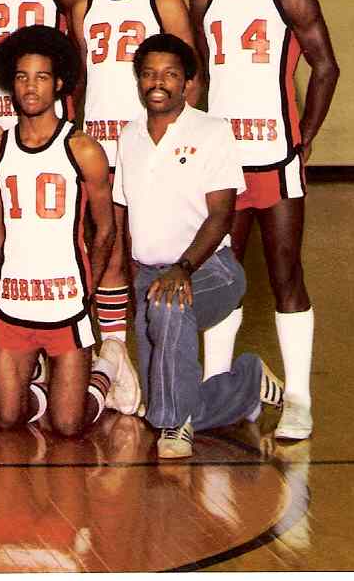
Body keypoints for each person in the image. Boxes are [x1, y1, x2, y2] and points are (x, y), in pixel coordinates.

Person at [190, 0, 339, 440]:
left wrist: (308, 138)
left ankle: (298, 397)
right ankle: (217, 387)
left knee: (284, 275)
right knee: (221, 278)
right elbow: (200, 77)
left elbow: (326, 67)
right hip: (224, 162)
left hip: (275, 159)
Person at [114, 34, 285, 458]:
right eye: (150, 73)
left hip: (210, 269)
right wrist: (124, 271)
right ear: (138, 80)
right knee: (160, 397)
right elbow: (123, 213)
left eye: (171, 74)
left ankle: (175, 429)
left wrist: (182, 269)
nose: (159, 82)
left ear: (188, 83)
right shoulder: (128, 136)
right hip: (148, 273)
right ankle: (244, 383)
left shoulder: (212, 131)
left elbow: (221, 215)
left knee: (169, 305)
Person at [0, 25, 122, 436]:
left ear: (59, 84)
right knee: (5, 419)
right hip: (15, 305)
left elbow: (106, 229)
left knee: (69, 426)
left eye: (41, 77)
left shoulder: (83, 149)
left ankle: (107, 370)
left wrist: (86, 291)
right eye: (22, 77)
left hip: (66, 306)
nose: (31, 87)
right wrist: (6, 278)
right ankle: (40, 388)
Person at [69, 0, 195, 349]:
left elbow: (191, 76)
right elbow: (80, 79)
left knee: (144, 252)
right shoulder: (84, 6)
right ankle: (115, 352)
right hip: (99, 144)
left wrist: (175, 144)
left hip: (145, 145)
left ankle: (154, 354)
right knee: (102, 245)